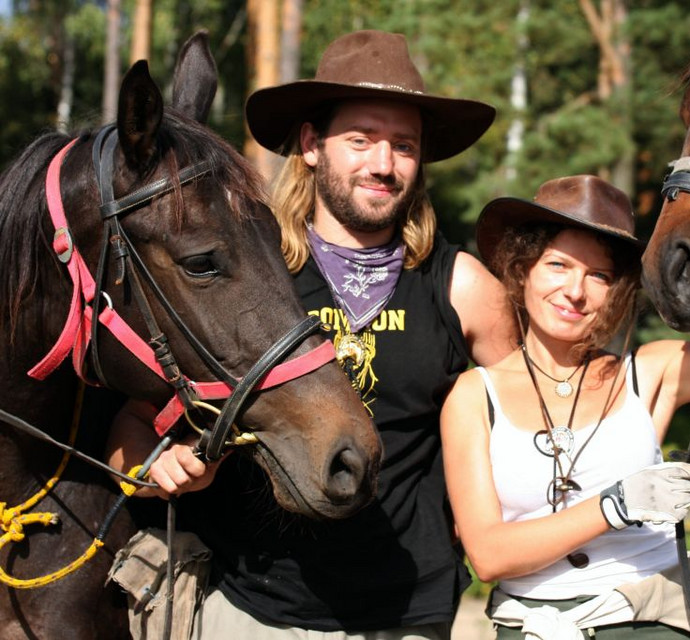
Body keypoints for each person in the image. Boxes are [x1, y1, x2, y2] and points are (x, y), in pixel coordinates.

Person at [105, 30, 517, 639]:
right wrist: (148, 463)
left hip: (407, 611)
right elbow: (134, 422)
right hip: (251, 609)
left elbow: (527, 430)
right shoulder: (246, 274)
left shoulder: (463, 288)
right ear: (311, 146)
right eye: (360, 140)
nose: (383, 163)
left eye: (403, 145)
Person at [439, 175, 690, 638]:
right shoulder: (473, 394)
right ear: (523, 270)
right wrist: (615, 506)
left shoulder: (647, 373)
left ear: (618, 290)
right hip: (534, 625)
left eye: (599, 275)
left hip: (653, 617)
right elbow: (487, 556)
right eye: (558, 265)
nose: (575, 291)